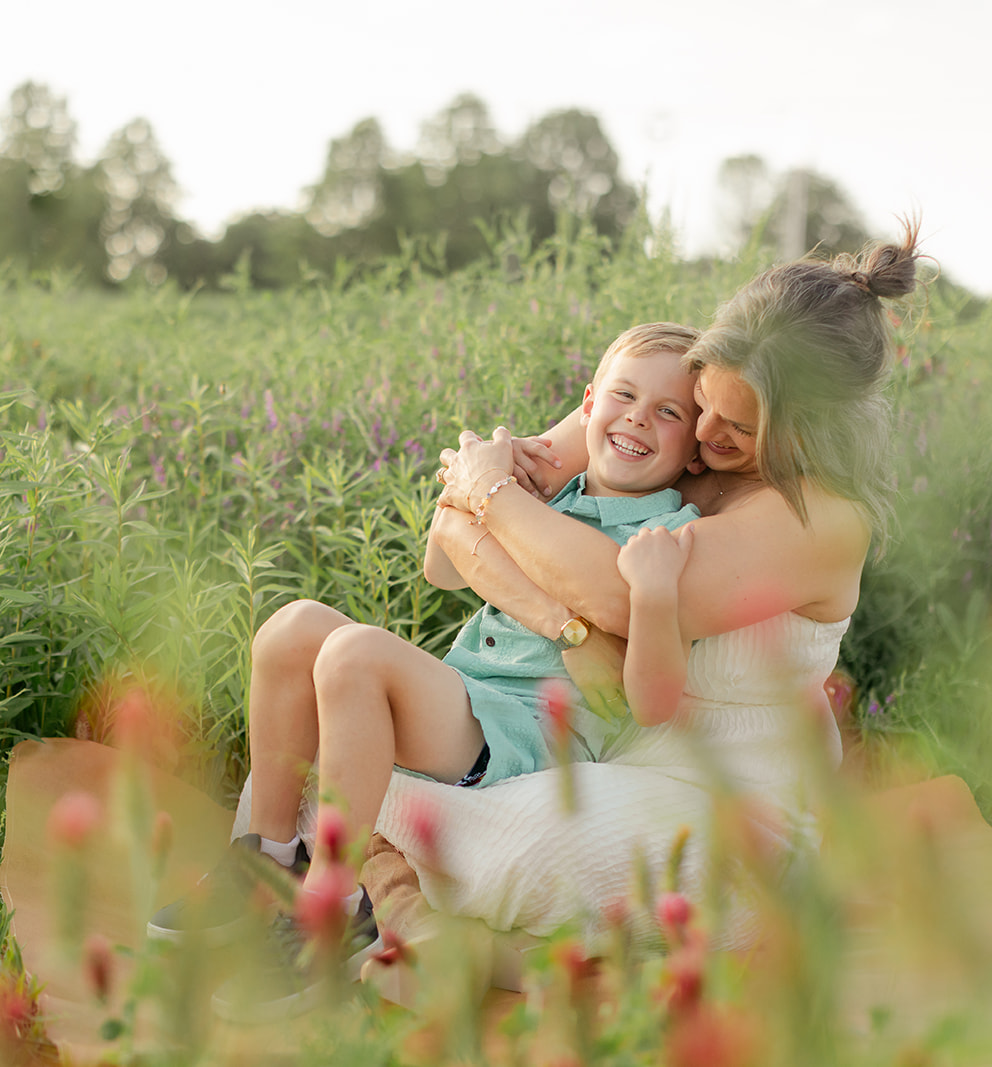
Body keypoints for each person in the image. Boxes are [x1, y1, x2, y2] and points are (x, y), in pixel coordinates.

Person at [364, 224, 922, 950]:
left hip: (723, 792)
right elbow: (460, 510)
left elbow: (614, 594)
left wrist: (494, 494)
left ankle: (450, 937)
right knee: (366, 758)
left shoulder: (821, 519)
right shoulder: (670, 414)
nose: (705, 434)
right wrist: (488, 499)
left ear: (811, 428)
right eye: (704, 400)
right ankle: (414, 907)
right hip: (606, 744)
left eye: (741, 426)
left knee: (527, 846)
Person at [160, 322, 709, 1018]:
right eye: (624, 396)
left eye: (669, 412)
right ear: (589, 404)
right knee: (292, 627)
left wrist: (500, 512)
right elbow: (441, 563)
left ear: (694, 450)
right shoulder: (551, 493)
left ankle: (336, 906)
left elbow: (645, 670)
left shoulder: (662, 536)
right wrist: (495, 479)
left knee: (354, 653)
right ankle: (269, 855)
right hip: (467, 696)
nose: (638, 417)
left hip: (531, 732)